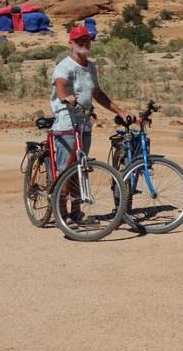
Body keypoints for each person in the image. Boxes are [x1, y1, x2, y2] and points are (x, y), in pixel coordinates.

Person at [50, 25, 131, 224]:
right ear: (70, 43)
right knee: (66, 168)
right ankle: (61, 212)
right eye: (79, 40)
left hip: (85, 121)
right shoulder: (65, 66)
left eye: (87, 40)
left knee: (80, 166)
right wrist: (65, 97)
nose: (84, 43)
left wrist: (120, 111)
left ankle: (76, 211)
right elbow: (60, 85)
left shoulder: (91, 67)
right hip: (67, 119)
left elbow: (97, 94)